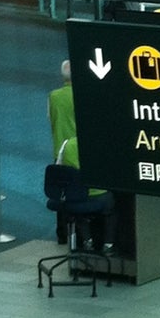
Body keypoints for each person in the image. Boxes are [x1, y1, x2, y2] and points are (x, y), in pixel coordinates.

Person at [57, 137, 116, 254]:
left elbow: (59, 168)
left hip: (75, 196)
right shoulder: (102, 144)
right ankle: (108, 245)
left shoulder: (67, 144)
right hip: (100, 195)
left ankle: (87, 241)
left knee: (78, 209)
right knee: (111, 208)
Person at [47, 60, 76, 244]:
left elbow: (50, 118)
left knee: (61, 190)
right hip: (79, 150)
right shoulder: (82, 94)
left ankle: (61, 234)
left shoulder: (53, 96)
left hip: (59, 149)